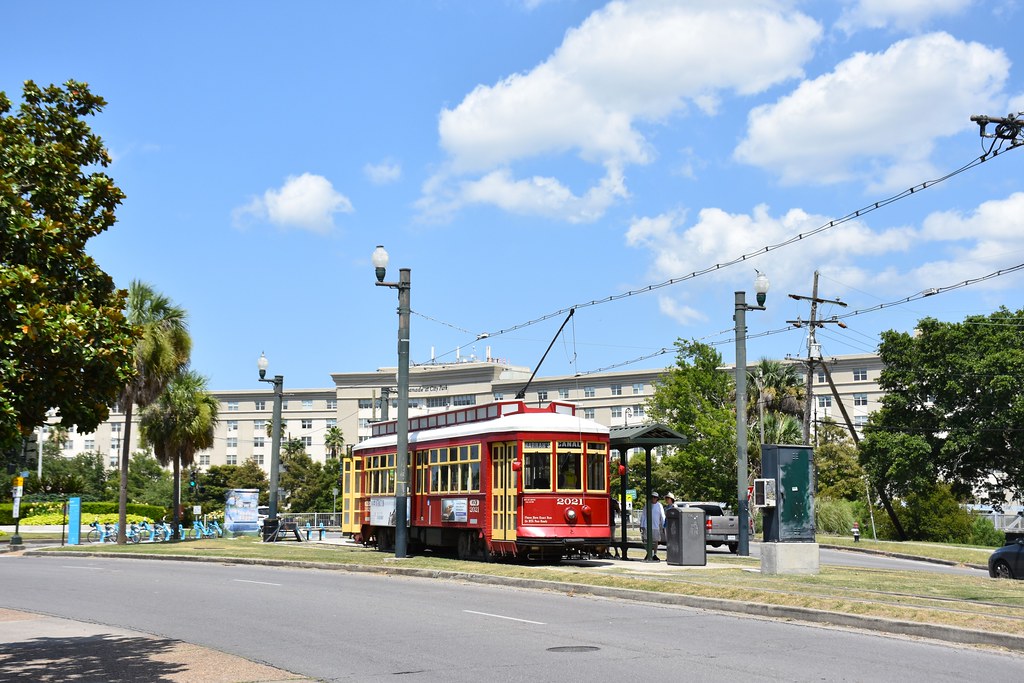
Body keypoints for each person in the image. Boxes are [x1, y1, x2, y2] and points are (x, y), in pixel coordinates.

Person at [639, 492, 666, 560]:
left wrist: (663, 525)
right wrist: (641, 525)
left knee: (656, 541)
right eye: (652, 497)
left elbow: (662, 516)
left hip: (656, 526)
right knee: (646, 540)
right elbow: (643, 515)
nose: (653, 498)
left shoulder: (659, 505)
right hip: (647, 526)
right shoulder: (647, 505)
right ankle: (649, 553)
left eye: (655, 497)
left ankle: (654, 554)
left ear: (657, 498)